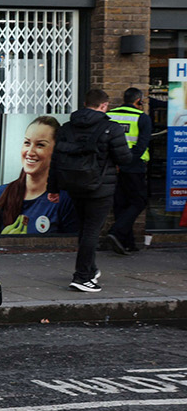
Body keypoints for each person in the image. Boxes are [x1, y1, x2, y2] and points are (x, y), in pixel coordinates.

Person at [57, 89, 132, 293]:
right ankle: (82, 277)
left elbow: (57, 158)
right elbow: (124, 158)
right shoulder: (111, 128)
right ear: (104, 105)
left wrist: (53, 187)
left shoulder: (67, 128)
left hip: (74, 186)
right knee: (91, 231)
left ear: (84, 103)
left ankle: (90, 269)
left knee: (84, 228)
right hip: (100, 188)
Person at [0, 116, 78, 235]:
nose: (30, 152)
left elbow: (71, 248)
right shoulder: (0, 194)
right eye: (27, 143)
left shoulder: (65, 199)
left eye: (40, 145)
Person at [106, 86, 152, 255]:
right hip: (134, 166)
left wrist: (116, 162)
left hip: (113, 165)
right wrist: (127, 163)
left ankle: (126, 242)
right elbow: (141, 145)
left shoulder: (110, 115)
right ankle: (116, 232)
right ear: (138, 101)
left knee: (121, 203)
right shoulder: (142, 118)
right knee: (139, 201)